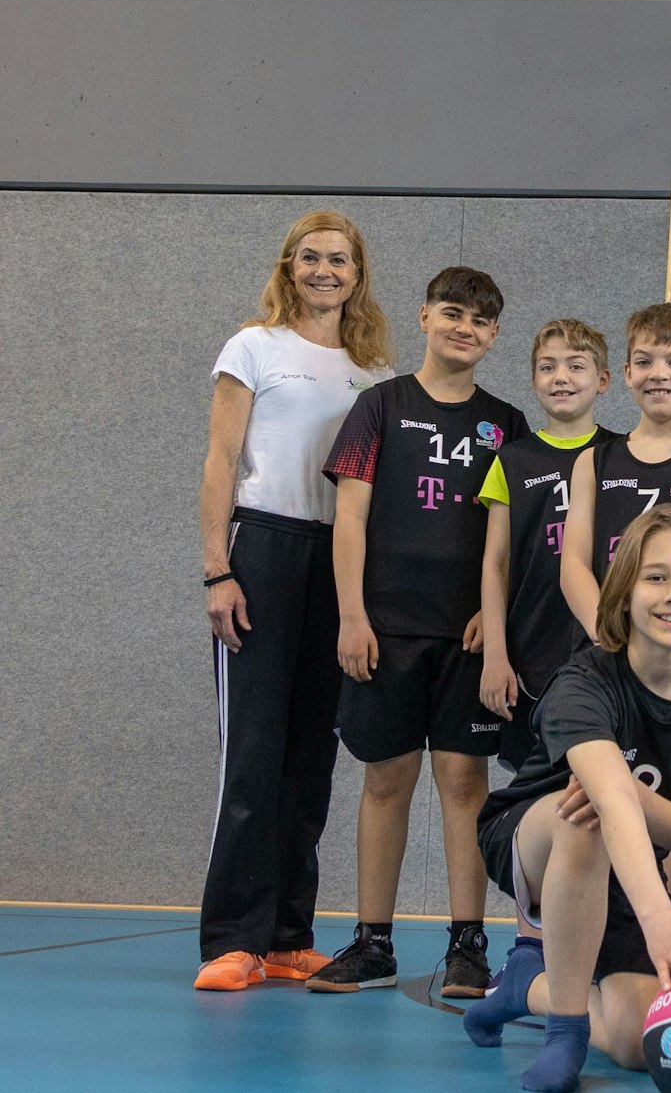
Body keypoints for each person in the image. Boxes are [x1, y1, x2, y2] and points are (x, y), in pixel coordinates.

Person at [463, 506, 671, 1093]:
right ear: (622, 591)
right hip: (535, 832)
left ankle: (527, 987)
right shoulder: (584, 682)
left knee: (634, 1040)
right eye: (656, 576)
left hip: (626, 862)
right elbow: (608, 802)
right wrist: (661, 918)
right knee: (586, 814)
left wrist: (624, 793)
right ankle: (564, 1031)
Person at [310, 266, 529, 996]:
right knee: (384, 781)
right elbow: (350, 518)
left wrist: (491, 617)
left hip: (465, 639)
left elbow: (519, 536)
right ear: (426, 315)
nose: (464, 327)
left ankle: (468, 945)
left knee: (464, 780)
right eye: (452, 312)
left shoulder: (506, 424)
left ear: (494, 336)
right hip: (384, 631)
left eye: (480, 320)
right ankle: (373, 942)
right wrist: (351, 615)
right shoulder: (380, 406)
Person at [194, 210, 394, 991]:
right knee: (253, 753)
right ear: (288, 266)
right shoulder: (253, 347)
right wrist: (218, 570)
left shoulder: (372, 371)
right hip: (264, 552)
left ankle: (285, 936)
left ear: (357, 273)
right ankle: (232, 940)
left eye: (338, 260)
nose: (323, 271)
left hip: (336, 562)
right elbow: (221, 459)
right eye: (309, 258)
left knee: (312, 755)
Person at [559, 302, 671, 902]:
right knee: (584, 800)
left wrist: (665, 642)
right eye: (644, 361)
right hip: (609, 655)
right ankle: (549, 939)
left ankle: (656, 932)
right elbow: (574, 565)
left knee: (663, 812)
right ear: (626, 373)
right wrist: (613, 637)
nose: (658, 372)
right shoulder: (595, 459)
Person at [478, 319, 617, 771]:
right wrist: (496, 654)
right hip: (531, 645)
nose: (561, 377)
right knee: (536, 786)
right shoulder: (511, 460)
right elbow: (496, 564)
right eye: (547, 366)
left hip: (605, 646)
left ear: (603, 380)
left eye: (576, 366)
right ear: (533, 380)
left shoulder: (623, 454)